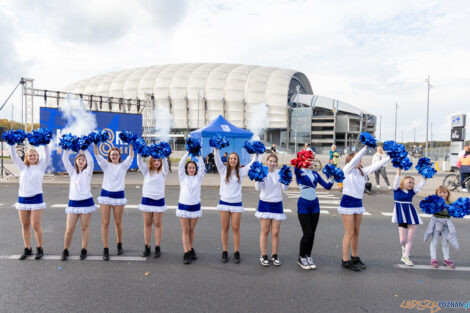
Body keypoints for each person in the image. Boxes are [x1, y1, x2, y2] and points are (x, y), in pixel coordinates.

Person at [339, 145, 390, 271]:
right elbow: (356, 158)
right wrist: (366, 146)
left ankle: (355, 257)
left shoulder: (362, 171)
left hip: (358, 203)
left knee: (356, 232)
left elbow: (377, 165)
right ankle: (345, 260)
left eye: (360, 160)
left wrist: (390, 157)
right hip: (347, 202)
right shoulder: (346, 170)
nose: (360, 161)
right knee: (349, 232)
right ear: (352, 161)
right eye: (358, 160)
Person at [214, 148, 257, 263]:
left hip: (237, 204)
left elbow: (251, 165)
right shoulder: (222, 170)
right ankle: (224, 251)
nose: (233, 160)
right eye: (231, 158)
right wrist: (216, 149)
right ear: (228, 160)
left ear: (238, 161)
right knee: (224, 228)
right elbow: (217, 160)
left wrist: (256, 155)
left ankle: (236, 252)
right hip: (224, 203)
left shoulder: (241, 172)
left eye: (235, 159)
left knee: (236, 228)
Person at [294, 153, 334, 270]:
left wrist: (332, 176)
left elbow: (327, 186)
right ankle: (301, 257)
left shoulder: (315, 174)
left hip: (315, 205)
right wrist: (302, 158)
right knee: (307, 233)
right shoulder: (299, 172)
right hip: (303, 205)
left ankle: (308, 256)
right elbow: (296, 165)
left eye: (311, 160)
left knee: (312, 234)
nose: (309, 162)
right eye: (307, 160)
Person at [10, 143, 50, 260]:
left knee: (36, 225)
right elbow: (14, 156)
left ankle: (40, 248)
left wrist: (45, 144)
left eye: (34, 155)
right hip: (22, 199)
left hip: (37, 198)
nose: (32, 157)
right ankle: (27, 248)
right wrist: (12, 144)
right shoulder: (22, 167)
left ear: (37, 157)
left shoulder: (41, 167)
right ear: (26, 157)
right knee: (25, 225)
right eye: (30, 155)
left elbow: (47, 155)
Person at [94, 144, 134, 261]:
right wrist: (96, 144)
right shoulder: (106, 165)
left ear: (119, 156)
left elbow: (131, 156)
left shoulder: (123, 166)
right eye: (112, 155)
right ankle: (105, 249)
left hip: (119, 196)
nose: (115, 156)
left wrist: (131, 145)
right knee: (105, 223)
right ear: (109, 156)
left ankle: (119, 243)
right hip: (105, 195)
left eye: (116, 154)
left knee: (118, 222)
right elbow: (97, 154)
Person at [61, 149, 96, 261]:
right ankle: (66, 250)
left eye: (83, 159)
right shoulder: (72, 172)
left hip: (86, 202)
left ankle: (84, 249)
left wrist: (85, 148)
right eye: (79, 159)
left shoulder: (88, 172)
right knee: (69, 229)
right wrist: (66, 149)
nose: (81, 161)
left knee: (84, 227)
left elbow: (91, 161)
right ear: (76, 161)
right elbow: (64, 159)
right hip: (73, 203)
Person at [254, 153, 287, 267]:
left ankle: (275, 255)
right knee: (265, 231)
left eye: (274, 161)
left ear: (276, 163)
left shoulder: (279, 173)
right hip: (264, 204)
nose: (272, 163)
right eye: (270, 161)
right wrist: (258, 178)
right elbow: (257, 188)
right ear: (266, 161)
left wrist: (285, 179)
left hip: (277, 204)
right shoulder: (263, 173)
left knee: (275, 232)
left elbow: (284, 188)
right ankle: (263, 255)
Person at [391, 168, 426, 266]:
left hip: (412, 215)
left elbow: (420, 186)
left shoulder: (412, 192)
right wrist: (398, 170)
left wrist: (425, 177)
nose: (411, 184)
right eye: (409, 182)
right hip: (401, 215)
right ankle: (404, 248)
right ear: (403, 182)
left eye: (412, 183)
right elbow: (396, 180)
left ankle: (406, 256)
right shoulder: (396, 190)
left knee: (410, 238)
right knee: (403, 240)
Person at [137, 153, 169, 258]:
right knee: (147, 224)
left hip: (159, 200)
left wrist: (162, 152)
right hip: (147, 199)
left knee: (157, 224)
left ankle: (157, 247)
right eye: (154, 160)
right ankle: (147, 246)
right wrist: (139, 152)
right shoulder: (146, 170)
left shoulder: (163, 172)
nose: (156, 162)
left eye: (158, 161)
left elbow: (165, 163)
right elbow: (139, 162)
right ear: (151, 161)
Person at [177, 151, 206, 264]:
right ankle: (186, 252)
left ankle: (190, 248)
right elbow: (180, 164)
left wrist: (198, 155)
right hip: (183, 207)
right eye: (189, 167)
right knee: (185, 230)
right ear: (186, 169)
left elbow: (203, 167)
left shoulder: (198, 178)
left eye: (193, 167)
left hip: (195, 207)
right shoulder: (182, 177)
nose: (191, 169)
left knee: (191, 230)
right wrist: (188, 152)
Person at [424, 186, 458, 269]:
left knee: (445, 242)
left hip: (446, 224)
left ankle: (446, 259)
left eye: (444, 192)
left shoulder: (450, 203)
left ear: (447, 194)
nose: (442, 194)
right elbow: (429, 209)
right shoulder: (434, 202)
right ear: (437, 194)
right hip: (436, 223)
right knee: (434, 241)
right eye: (440, 192)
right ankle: (433, 259)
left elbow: (453, 213)